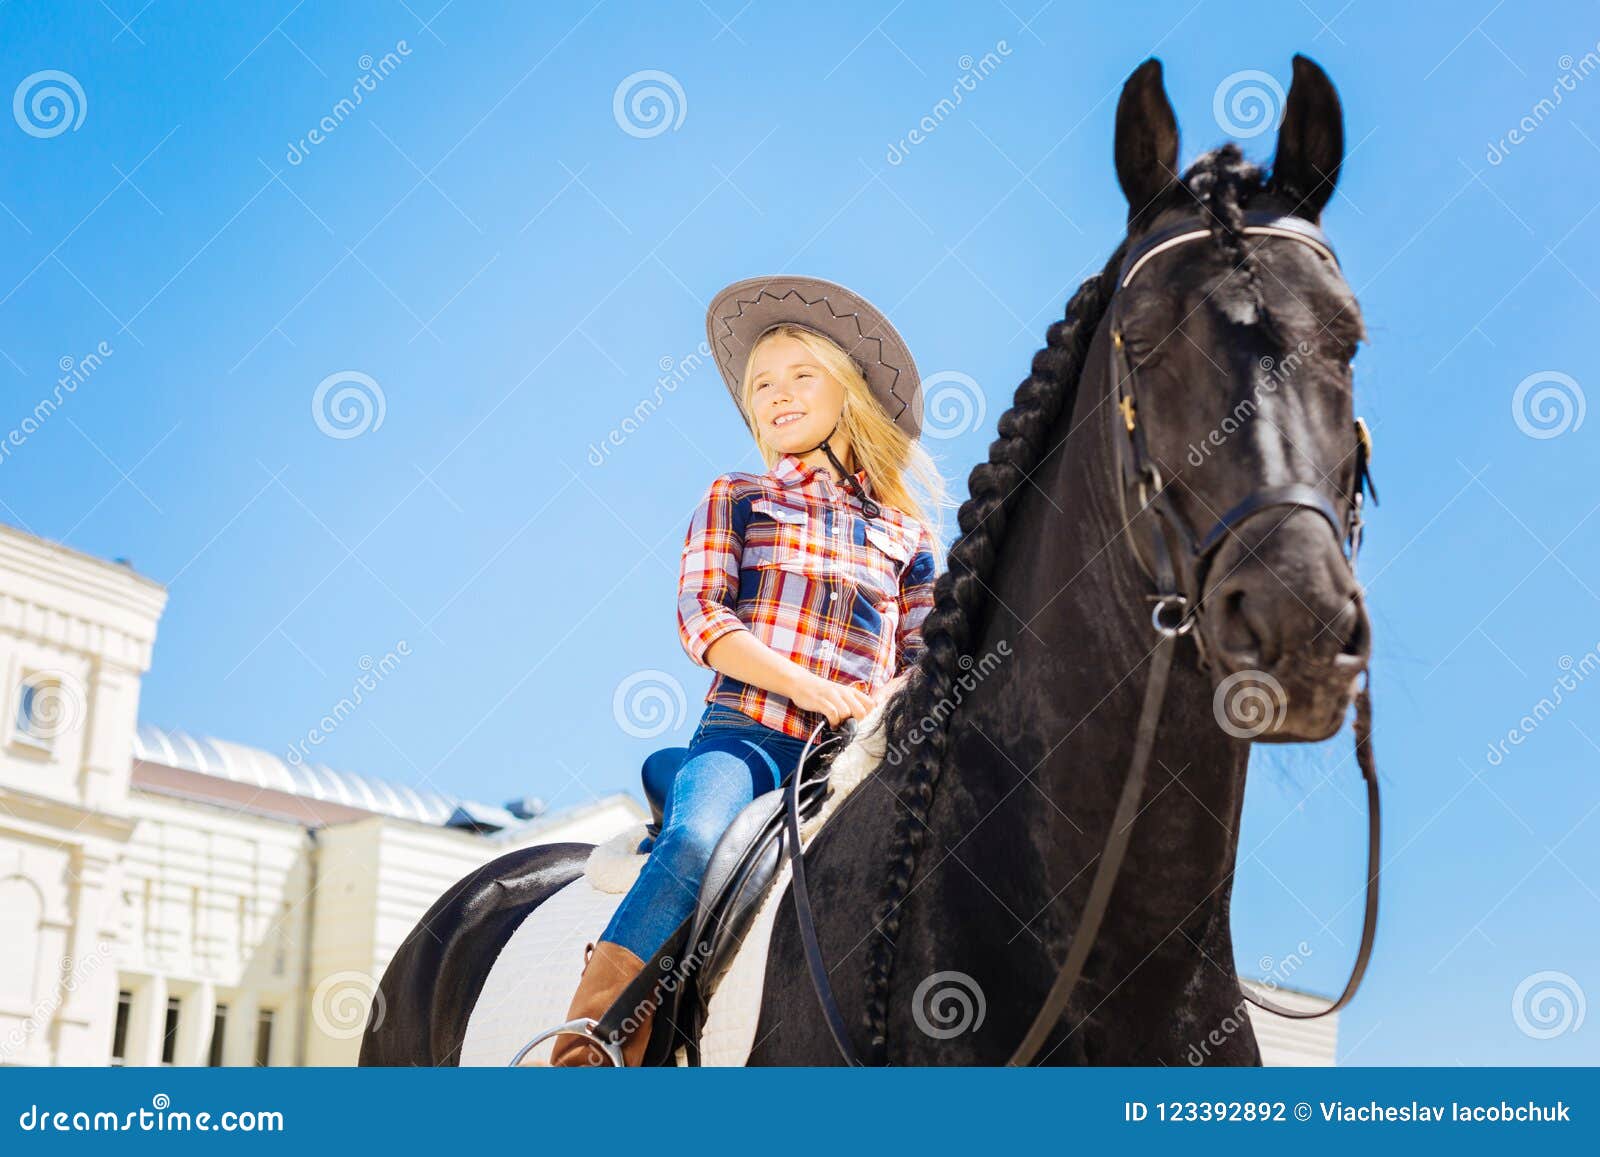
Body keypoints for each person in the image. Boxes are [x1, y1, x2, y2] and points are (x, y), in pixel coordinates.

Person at [547, 275, 948, 1066]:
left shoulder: (906, 537)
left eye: (802, 375)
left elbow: (925, 660)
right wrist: (811, 688)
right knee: (695, 840)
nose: (777, 394)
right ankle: (586, 1048)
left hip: (853, 759)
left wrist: (884, 703)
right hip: (748, 736)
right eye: (762, 383)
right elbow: (705, 618)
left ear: (851, 392)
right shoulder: (738, 496)